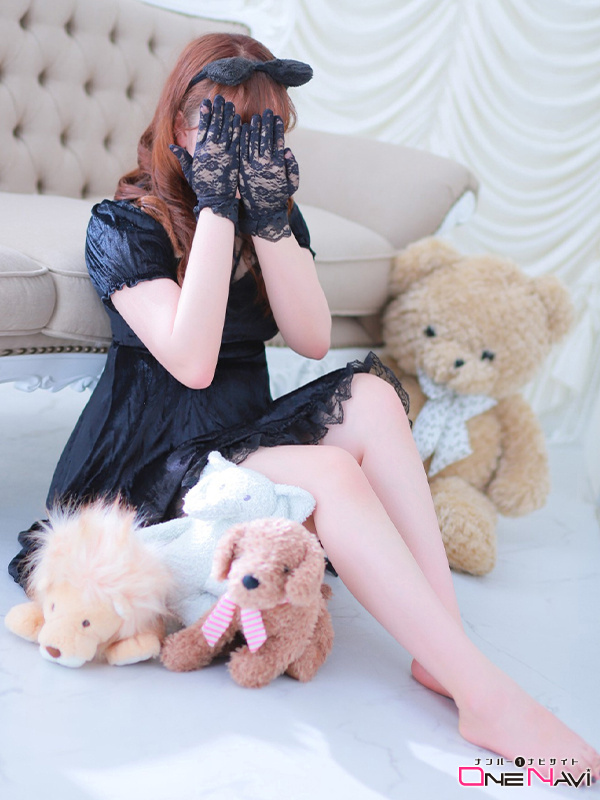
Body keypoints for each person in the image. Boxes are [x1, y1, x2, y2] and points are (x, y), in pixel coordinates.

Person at [9, 32, 599, 780]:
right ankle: (486, 696)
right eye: (219, 125)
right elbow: (191, 360)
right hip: (149, 463)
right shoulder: (124, 226)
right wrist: (215, 208)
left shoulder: (272, 217)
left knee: (372, 394)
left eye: (264, 128)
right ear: (178, 126)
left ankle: (444, 648)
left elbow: (313, 339)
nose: (239, 146)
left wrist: (266, 217)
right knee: (333, 471)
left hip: (233, 437)